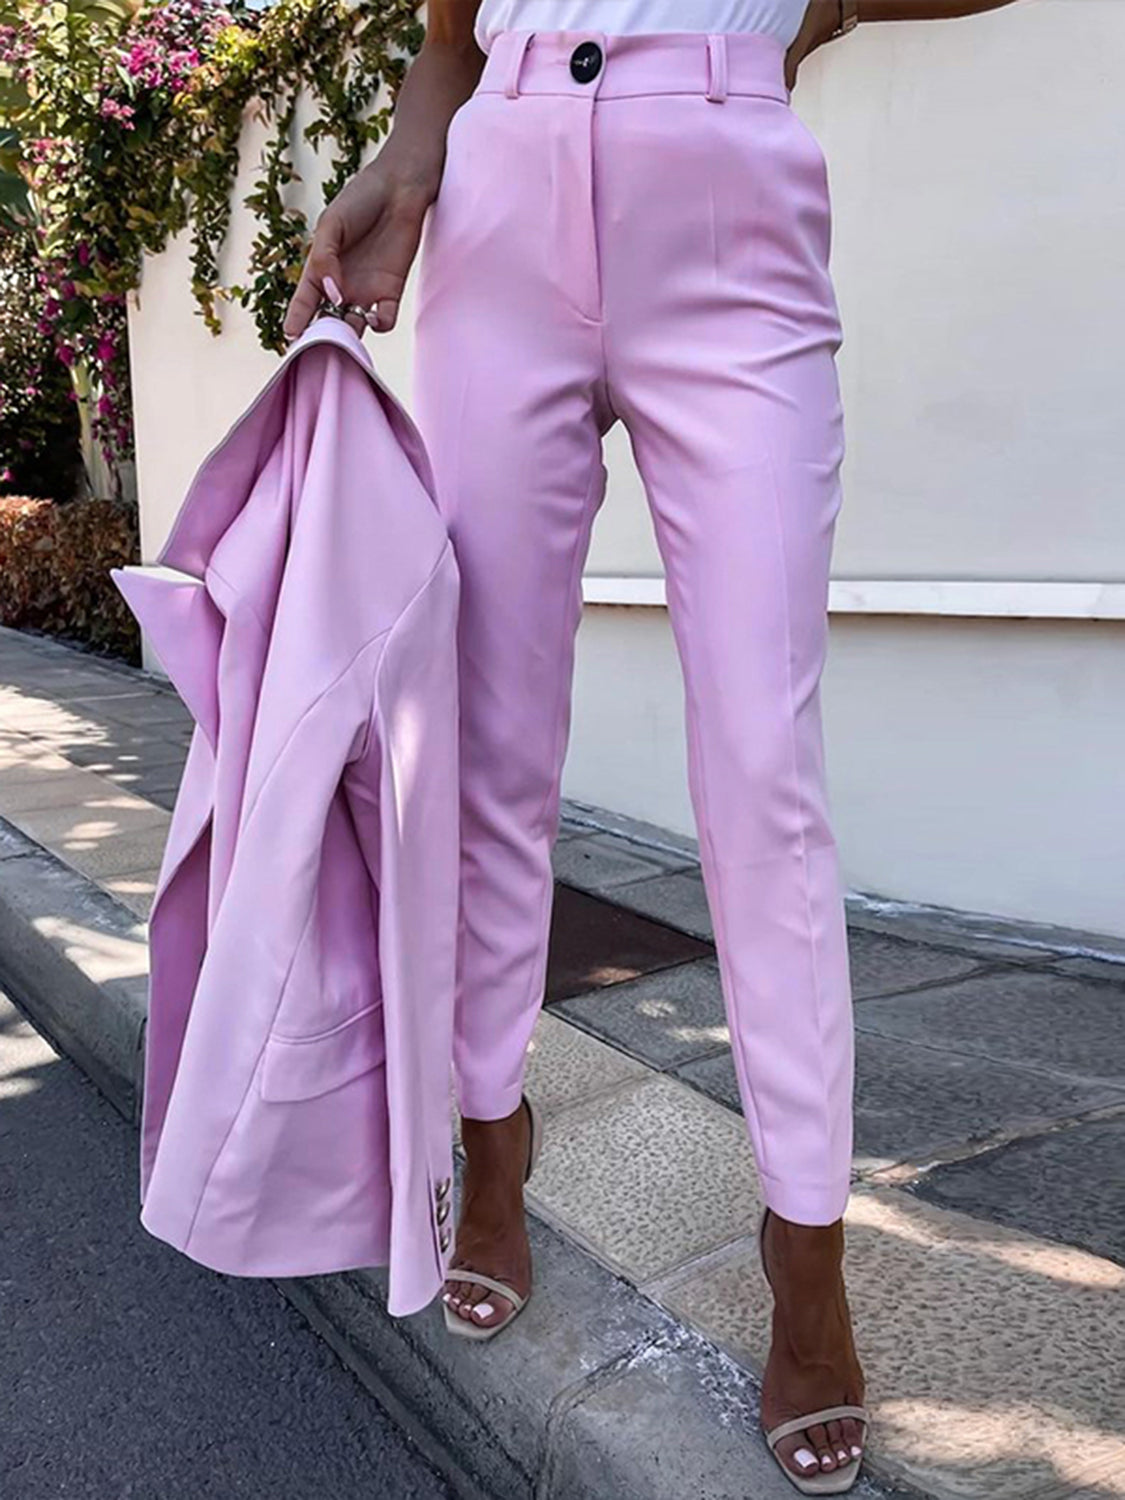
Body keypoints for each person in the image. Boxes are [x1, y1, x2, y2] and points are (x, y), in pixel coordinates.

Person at [284, 1, 1022, 1489]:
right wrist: (408, 165)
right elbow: (451, 35)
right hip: (504, 202)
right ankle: (492, 1131)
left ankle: (804, 1242)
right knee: (490, 750)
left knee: (763, 776)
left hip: (726, 204)